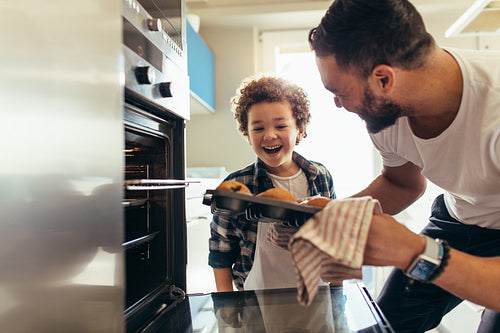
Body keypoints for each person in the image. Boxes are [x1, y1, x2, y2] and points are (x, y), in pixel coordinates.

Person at [308, 0, 500, 332]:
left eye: (338, 92)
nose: (338, 104)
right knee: (386, 326)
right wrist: (335, 214)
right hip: (457, 220)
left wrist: (413, 250)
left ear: (384, 79)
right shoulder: (386, 116)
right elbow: (402, 184)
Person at [208, 75, 336, 293]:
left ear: (300, 129)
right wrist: (226, 304)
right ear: (247, 134)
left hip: (317, 297)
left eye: (280, 125)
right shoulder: (237, 184)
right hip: (256, 301)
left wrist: (337, 292)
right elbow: (221, 249)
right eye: (258, 128)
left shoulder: (320, 176)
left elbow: (335, 239)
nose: (269, 135)